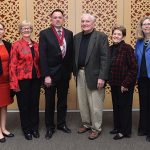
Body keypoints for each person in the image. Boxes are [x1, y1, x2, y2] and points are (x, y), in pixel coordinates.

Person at [73, 13, 110, 140]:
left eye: (87, 21)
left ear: (93, 23)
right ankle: (86, 124)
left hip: (95, 75)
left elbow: (105, 58)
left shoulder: (101, 37)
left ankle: (96, 128)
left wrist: (102, 77)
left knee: (95, 104)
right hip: (80, 73)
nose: (84, 23)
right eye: (82, 21)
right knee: (83, 102)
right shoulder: (76, 37)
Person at [39, 9, 73, 140]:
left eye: (60, 17)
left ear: (63, 19)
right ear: (51, 19)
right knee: (49, 102)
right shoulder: (44, 34)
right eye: (55, 17)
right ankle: (49, 127)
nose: (57, 19)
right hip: (50, 75)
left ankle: (61, 124)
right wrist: (46, 75)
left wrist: (70, 71)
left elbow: (70, 55)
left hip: (64, 74)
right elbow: (42, 56)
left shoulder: (69, 34)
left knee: (62, 101)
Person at [9, 20, 41, 140]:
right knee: (24, 106)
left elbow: (39, 62)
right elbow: (12, 65)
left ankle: (35, 128)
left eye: (28, 28)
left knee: (34, 104)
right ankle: (26, 129)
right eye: (24, 28)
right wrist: (14, 83)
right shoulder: (16, 45)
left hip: (36, 79)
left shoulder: (36, 44)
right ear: (20, 30)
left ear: (31, 30)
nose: (26, 30)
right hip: (22, 80)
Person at [108, 25, 137, 140]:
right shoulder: (110, 48)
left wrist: (125, 83)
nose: (116, 36)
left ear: (123, 36)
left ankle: (125, 131)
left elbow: (134, 68)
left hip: (124, 85)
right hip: (114, 83)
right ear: (112, 35)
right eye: (114, 34)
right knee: (116, 106)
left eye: (119, 34)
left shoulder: (128, 48)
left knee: (124, 107)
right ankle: (117, 127)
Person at [135, 16, 150, 142]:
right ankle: (144, 128)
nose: (146, 26)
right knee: (143, 104)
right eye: (144, 24)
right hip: (142, 78)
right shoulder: (139, 42)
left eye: (149, 24)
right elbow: (136, 59)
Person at [0, 22, 14, 143]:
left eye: (0, 29)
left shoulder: (8, 45)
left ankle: (3, 128)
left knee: (4, 106)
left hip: (6, 81)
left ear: (4, 31)